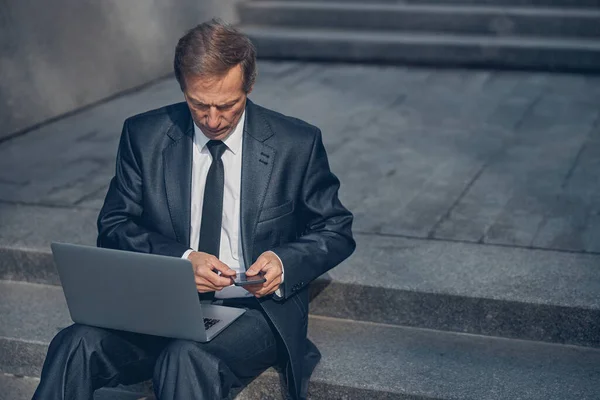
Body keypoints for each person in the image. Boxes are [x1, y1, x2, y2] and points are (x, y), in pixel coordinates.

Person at [33, 19, 355, 400]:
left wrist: (283, 263)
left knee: (186, 356)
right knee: (76, 342)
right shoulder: (144, 135)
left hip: (253, 309)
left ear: (249, 86)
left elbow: (335, 229)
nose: (213, 119)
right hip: (162, 303)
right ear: (183, 86)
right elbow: (115, 224)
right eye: (199, 104)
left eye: (228, 105)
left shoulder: (295, 143)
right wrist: (181, 260)